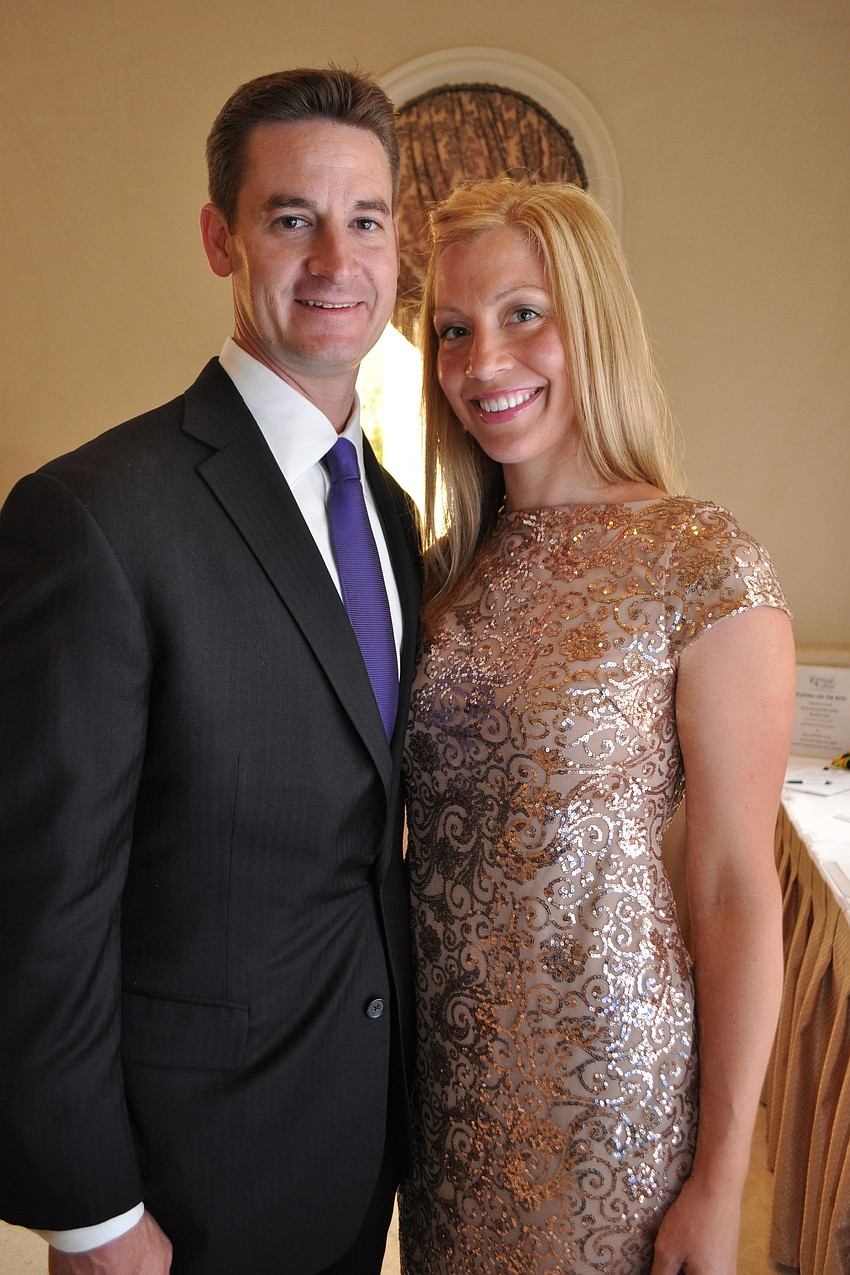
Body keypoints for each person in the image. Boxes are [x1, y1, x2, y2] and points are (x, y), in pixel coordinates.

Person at [0, 67, 421, 1275]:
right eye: (292, 217)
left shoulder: (387, 516)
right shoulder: (94, 516)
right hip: (179, 1186)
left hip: (353, 1154)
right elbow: (39, 901)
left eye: (367, 220)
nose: (336, 259)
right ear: (219, 237)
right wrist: (90, 1215)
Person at [398, 176, 795, 1275]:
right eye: (453, 331)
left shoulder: (703, 563)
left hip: (609, 1095)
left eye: (525, 315)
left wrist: (720, 1184)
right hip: (446, 1097)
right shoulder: (438, 574)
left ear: (594, 323)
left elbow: (729, 886)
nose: (484, 363)